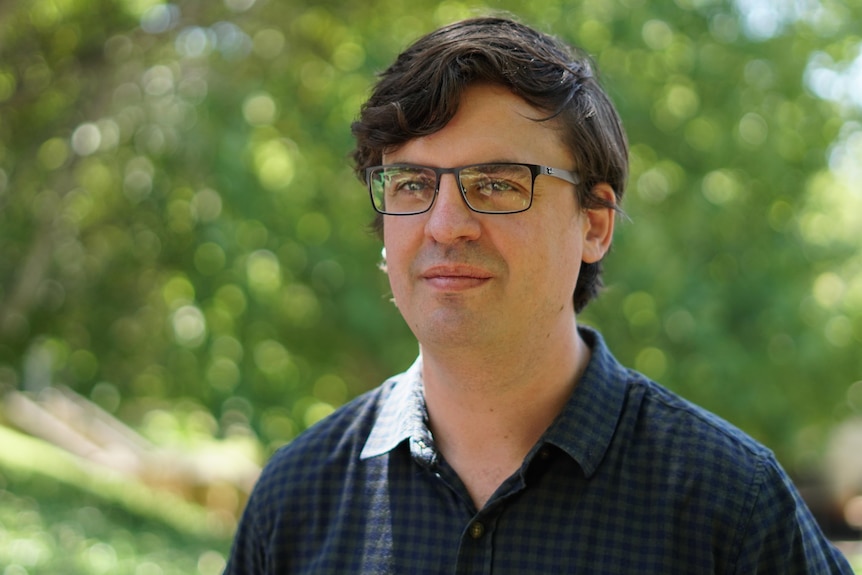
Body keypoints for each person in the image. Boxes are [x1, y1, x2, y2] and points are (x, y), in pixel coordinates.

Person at [224, 16, 853, 574]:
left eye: (496, 184)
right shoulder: (296, 499)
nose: (445, 224)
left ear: (595, 223)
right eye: (412, 183)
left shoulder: (731, 505)